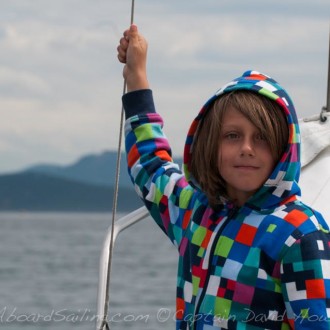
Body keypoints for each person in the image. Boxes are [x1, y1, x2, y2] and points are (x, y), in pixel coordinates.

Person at [117, 24, 330, 329]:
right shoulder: (196, 213)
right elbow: (151, 167)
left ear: (283, 149)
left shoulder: (299, 235)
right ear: (210, 144)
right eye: (232, 135)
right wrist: (136, 76)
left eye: (262, 138)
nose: (246, 148)